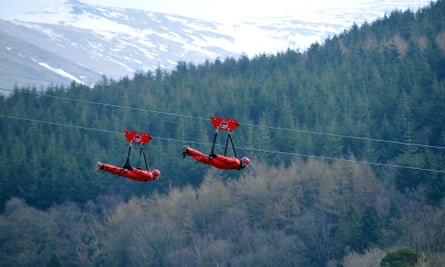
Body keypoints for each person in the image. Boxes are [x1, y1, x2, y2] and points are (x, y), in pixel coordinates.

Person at [182, 146, 250, 170]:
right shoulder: (237, 164)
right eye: (246, 164)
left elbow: (227, 160)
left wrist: (216, 156)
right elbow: (226, 160)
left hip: (217, 162)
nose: (245, 165)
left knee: (202, 157)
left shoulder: (237, 163)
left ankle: (189, 151)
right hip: (217, 163)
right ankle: (188, 151)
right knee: (202, 157)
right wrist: (216, 156)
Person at [96, 161, 160, 182]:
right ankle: (102, 166)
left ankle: (102, 167)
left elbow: (141, 174)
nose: (157, 178)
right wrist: (132, 168)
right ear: (155, 175)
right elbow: (141, 172)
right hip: (129, 173)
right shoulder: (150, 176)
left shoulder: (150, 176)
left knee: (116, 170)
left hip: (130, 174)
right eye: (157, 176)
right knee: (116, 170)